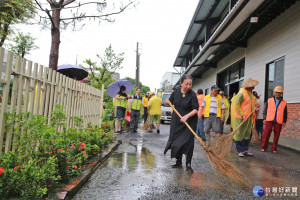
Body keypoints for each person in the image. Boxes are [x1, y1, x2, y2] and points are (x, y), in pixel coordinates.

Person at [164, 74, 199, 172]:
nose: (188, 86)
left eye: (190, 84)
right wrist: (167, 101)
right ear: (181, 83)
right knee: (176, 141)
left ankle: (188, 164)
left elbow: (196, 109)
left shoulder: (192, 94)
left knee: (188, 142)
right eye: (186, 84)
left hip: (189, 120)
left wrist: (186, 116)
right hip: (177, 120)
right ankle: (178, 161)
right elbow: (169, 101)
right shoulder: (176, 92)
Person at [231, 78, 260, 157]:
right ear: (248, 86)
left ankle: (245, 150)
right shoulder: (241, 94)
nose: (253, 88)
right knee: (239, 134)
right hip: (240, 117)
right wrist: (242, 115)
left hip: (249, 117)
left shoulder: (251, 94)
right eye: (252, 86)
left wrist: (257, 105)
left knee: (247, 134)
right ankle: (239, 151)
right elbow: (237, 105)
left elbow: (254, 103)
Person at [261, 86, 287, 154]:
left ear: (281, 93)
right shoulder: (269, 100)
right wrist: (264, 118)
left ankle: (274, 148)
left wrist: (284, 121)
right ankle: (263, 147)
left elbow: (285, 112)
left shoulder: (284, 102)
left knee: (277, 135)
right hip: (269, 119)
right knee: (265, 134)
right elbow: (265, 110)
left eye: (279, 93)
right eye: (276, 92)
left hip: (279, 121)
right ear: (274, 93)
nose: (277, 94)